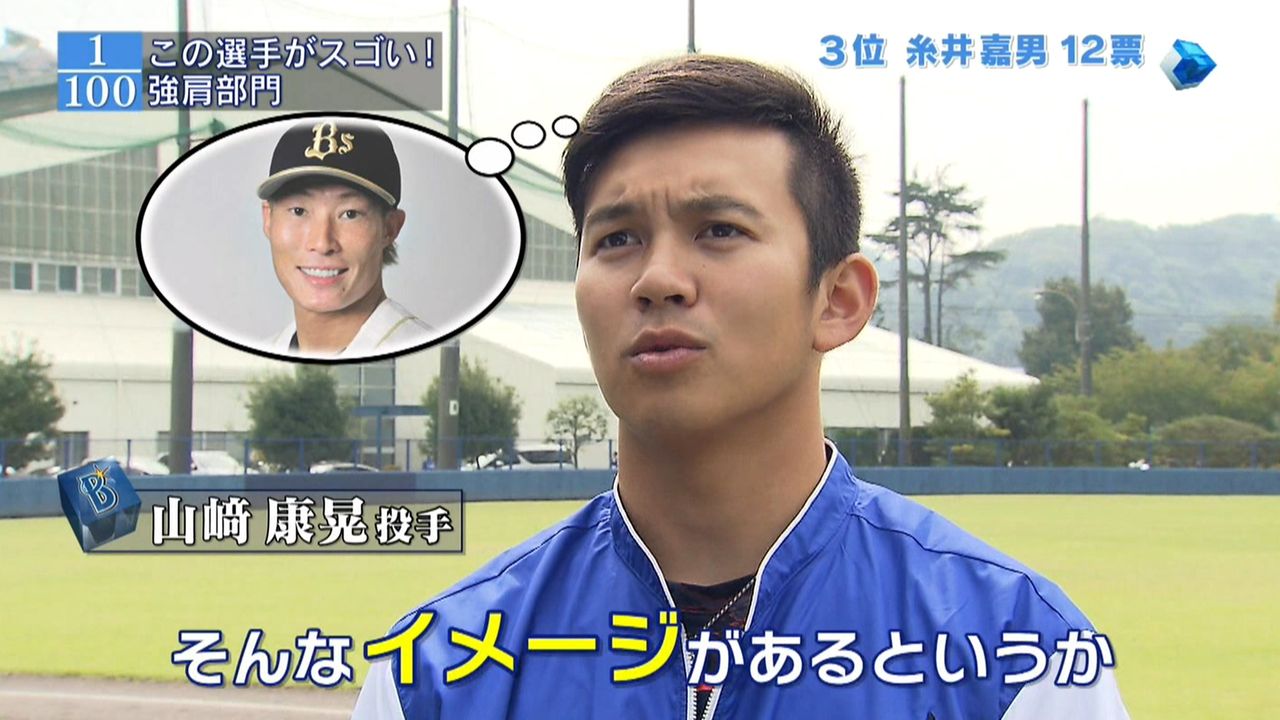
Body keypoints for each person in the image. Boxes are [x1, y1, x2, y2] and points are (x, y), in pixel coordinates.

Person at [353, 56, 1128, 719]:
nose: (658, 279)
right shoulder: (435, 676)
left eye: (719, 230)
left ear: (839, 300)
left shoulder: (1018, 657)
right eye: (617, 239)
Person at [256, 118, 434, 359]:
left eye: (349, 214)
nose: (322, 243)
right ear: (268, 219)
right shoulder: (261, 357)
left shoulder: (427, 356)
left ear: (390, 228)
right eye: (299, 211)